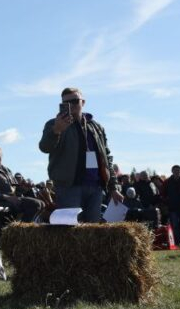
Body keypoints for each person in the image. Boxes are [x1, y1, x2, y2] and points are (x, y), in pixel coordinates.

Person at [38, 87, 121, 223]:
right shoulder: (54, 124)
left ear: (83, 102)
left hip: (96, 187)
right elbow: (44, 147)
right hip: (68, 187)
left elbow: (106, 158)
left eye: (75, 101)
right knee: (70, 230)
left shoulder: (96, 127)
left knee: (92, 231)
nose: (71, 105)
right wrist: (56, 130)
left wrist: (113, 187)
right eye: (66, 103)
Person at [0, 146, 43, 223]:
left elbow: (15, 189)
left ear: (1, 155)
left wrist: (26, 188)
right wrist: (7, 197)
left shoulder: (7, 170)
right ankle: (20, 230)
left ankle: (21, 227)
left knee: (42, 204)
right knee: (36, 204)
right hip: (0, 201)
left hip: (13, 199)